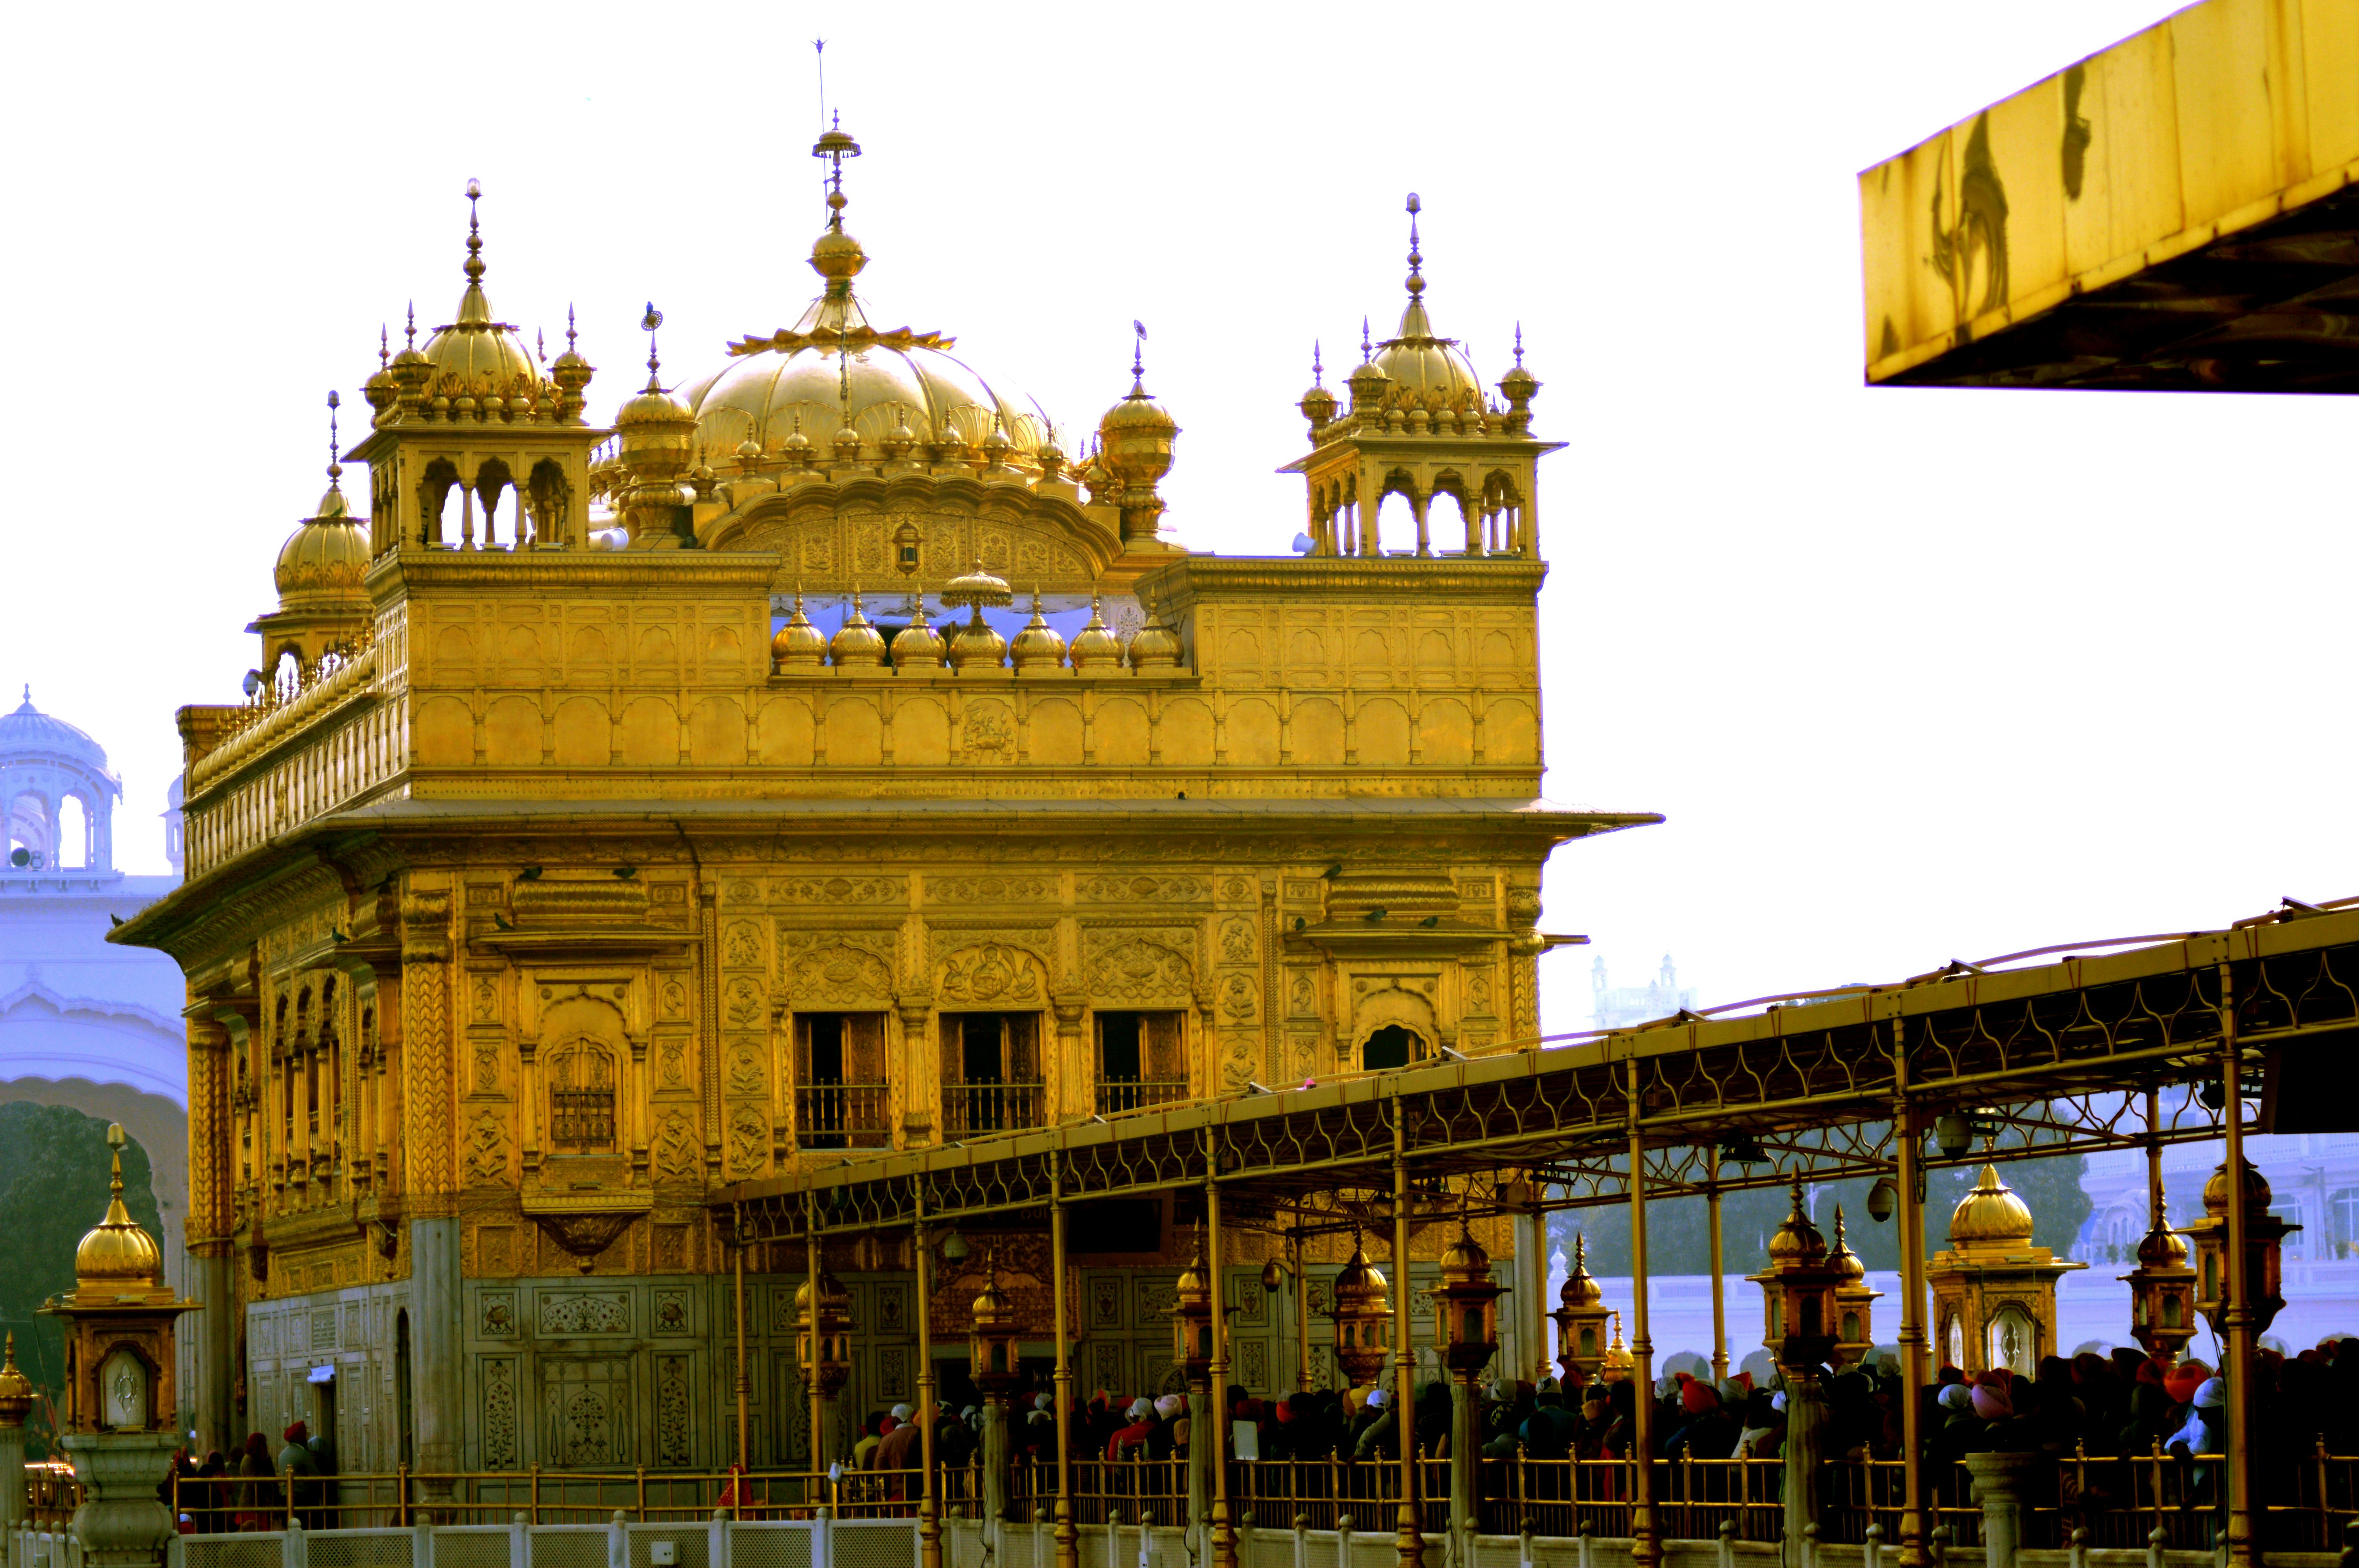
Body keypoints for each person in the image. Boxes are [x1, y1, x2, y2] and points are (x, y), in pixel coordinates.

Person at [277, 1422, 322, 1529]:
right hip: (303, 1498)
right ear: (302, 1439)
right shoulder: (303, 1454)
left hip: (285, 1497)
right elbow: (316, 1476)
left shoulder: (283, 1453)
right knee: (306, 1529)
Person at [234, 1434, 276, 1532]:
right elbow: (256, 1483)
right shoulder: (249, 1460)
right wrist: (266, 1465)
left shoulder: (258, 1459)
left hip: (260, 1504)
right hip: (250, 1504)